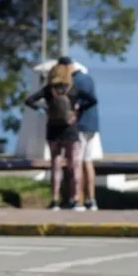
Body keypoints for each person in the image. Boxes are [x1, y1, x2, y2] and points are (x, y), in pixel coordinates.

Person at [24, 62, 97, 211]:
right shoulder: (74, 89)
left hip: (53, 131)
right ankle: (75, 199)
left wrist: (44, 109)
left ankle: (55, 200)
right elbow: (93, 100)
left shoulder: (48, 90)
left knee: (56, 165)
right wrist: (78, 110)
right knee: (75, 165)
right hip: (71, 130)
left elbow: (29, 101)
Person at [60, 57, 101, 211]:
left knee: (77, 163)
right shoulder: (88, 78)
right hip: (92, 125)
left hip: (81, 126)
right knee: (87, 162)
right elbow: (93, 100)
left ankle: (77, 200)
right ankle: (92, 200)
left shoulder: (74, 82)